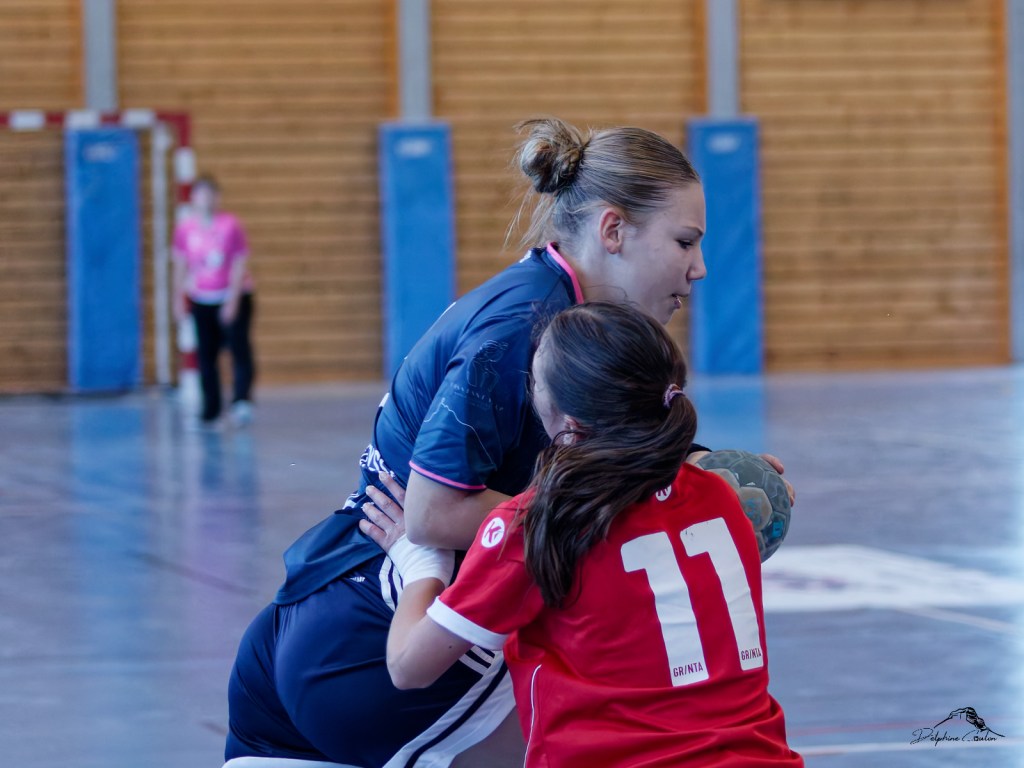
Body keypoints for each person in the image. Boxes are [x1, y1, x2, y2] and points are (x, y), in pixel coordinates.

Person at [224, 117, 789, 767]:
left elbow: (602, 442)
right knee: (621, 722)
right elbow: (431, 515)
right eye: (685, 241)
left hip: (321, 617)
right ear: (612, 231)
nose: (700, 267)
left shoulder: (561, 313)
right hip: (394, 630)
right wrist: (666, 513)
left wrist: (696, 469)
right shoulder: (524, 324)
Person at [362, 302, 804, 767]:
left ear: (568, 424)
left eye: (535, 380)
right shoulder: (722, 496)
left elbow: (408, 666)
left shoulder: (538, 521)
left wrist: (418, 562)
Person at [173, 174, 256, 428]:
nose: (206, 200)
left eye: (210, 195)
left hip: (232, 295)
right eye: (201, 194)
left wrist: (232, 301)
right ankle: (211, 409)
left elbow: (239, 263)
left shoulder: (230, 225)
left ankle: (241, 401)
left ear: (217, 198)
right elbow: (180, 265)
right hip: (202, 299)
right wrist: (178, 298)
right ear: (193, 199)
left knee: (239, 349)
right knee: (206, 356)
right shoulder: (185, 229)